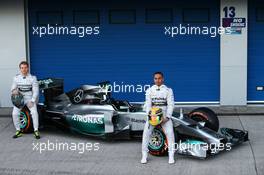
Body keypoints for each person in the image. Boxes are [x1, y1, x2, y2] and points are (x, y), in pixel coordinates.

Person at [141, 72, 175, 164]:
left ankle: (171, 156)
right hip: (152, 116)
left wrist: (167, 117)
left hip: (164, 116)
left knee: (170, 133)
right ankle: (144, 155)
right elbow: (148, 105)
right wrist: (149, 116)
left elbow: (171, 105)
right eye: (155, 78)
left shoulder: (168, 90)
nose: (157, 80)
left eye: (159, 78)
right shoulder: (149, 90)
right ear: (153, 80)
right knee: (146, 133)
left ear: (162, 79)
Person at [11, 61, 40, 139]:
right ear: (20, 69)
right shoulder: (16, 78)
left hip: (29, 98)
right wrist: (14, 91)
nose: (24, 69)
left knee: (34, 113)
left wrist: (33, 101)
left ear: (28, 68)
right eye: (22, 68)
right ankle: (18, 131)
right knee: (14, 114)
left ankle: (36, 131)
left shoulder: (33, 78)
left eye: (25, 68)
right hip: (20, 99)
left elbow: (36, 90)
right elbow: (13, 88)